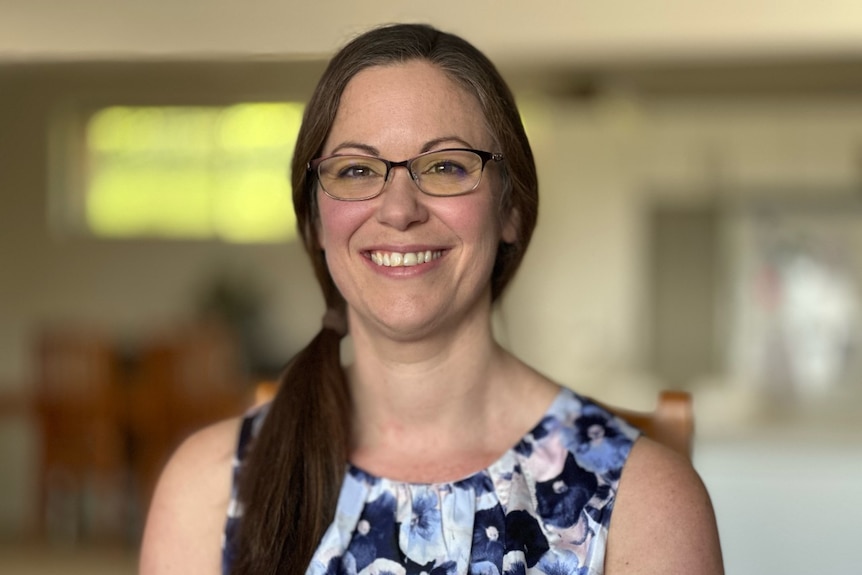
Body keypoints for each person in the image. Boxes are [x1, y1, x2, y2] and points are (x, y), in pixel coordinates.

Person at [139, 23, 723, 575]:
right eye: (356, 170)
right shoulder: (210, 487)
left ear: (511, 209)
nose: (398, 209)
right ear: (316, 222)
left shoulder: (643, 500)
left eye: (445, 166)